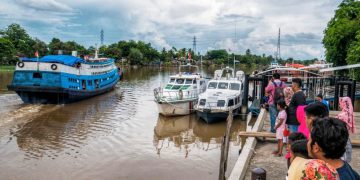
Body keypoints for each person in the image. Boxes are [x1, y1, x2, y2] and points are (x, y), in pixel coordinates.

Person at [336, 97, 356, 163]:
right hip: (346, 138)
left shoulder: (342, 115)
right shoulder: (350, 115)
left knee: (341, 157)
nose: (339, 105)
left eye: (340, 103)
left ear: (344, 104)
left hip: (340, 138)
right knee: (346, 156)